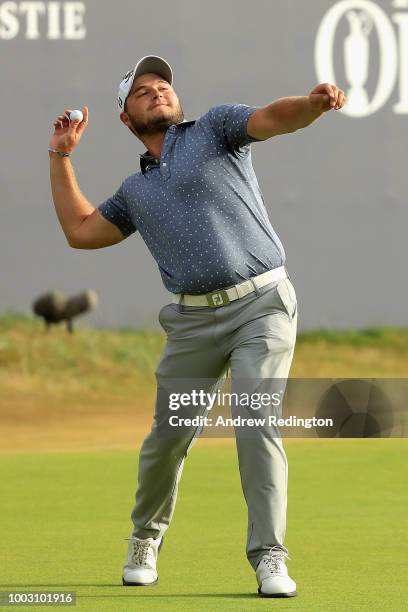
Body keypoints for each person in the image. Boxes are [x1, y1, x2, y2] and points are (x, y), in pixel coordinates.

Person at [48, 55, 346, 598]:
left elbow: (272, 118)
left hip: (263, 305)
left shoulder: (215, 128)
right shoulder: (133, 193)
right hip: (192, 324)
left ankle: (270, 557)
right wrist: (60, 156)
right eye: (142, 91)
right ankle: (144, 538)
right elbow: (81, 230)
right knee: (168, 438)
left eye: (162, 85)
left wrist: (311, 105)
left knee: (255, 421)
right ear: (125, 118)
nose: (157, 91)